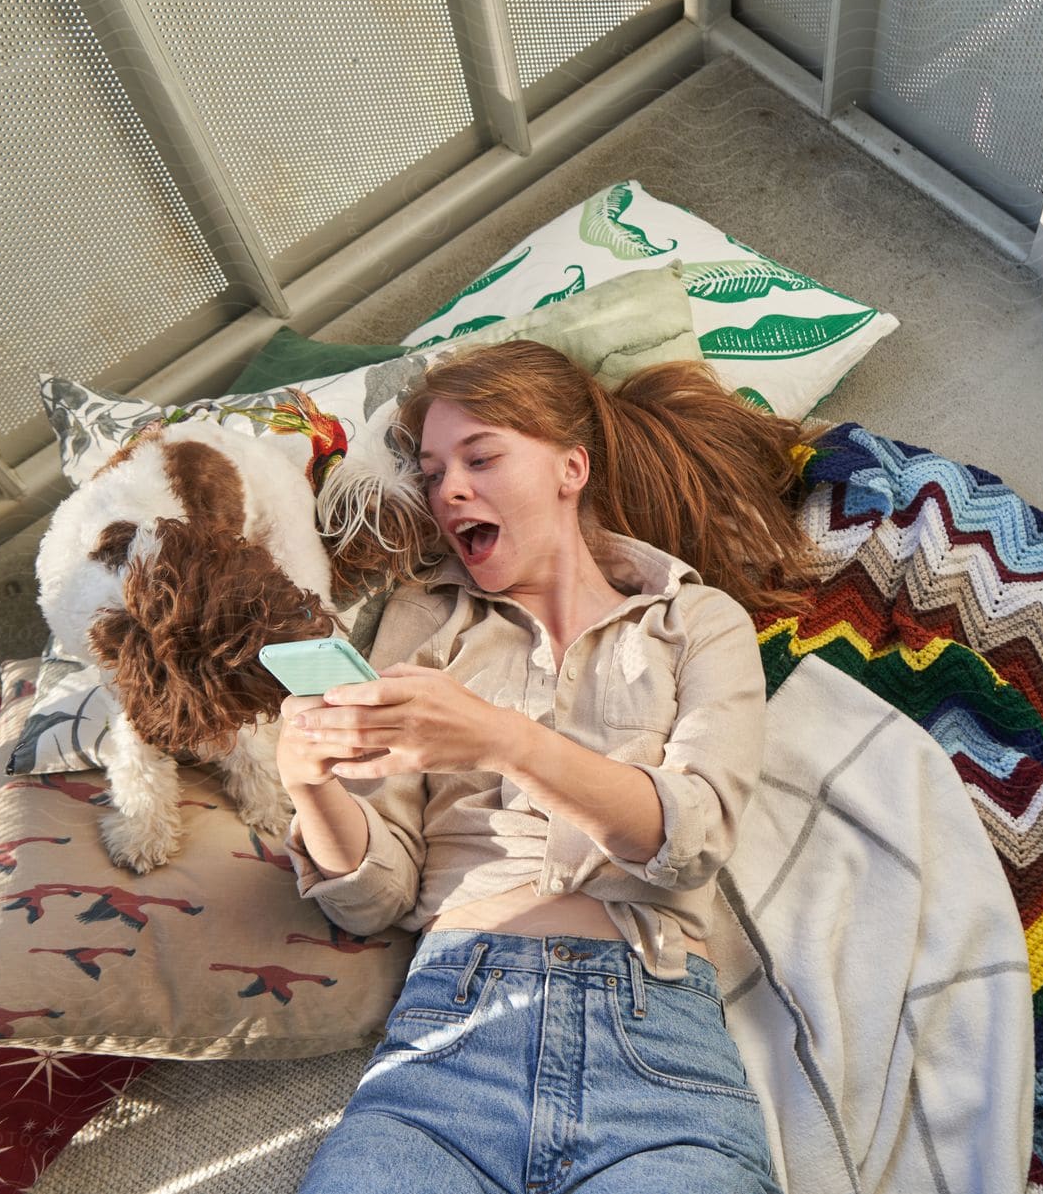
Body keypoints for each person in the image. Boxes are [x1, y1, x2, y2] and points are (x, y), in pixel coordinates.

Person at [277, 339, 823, 1193]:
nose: (448, 489)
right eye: (430, 474)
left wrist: (500, 740)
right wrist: (309, 785)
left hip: (657, 1049)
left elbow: (694, 836)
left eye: (481, 457)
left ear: (571, 467)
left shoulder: (696, 621)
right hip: (446, 1042)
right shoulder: (424, 623)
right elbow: (377, 895)